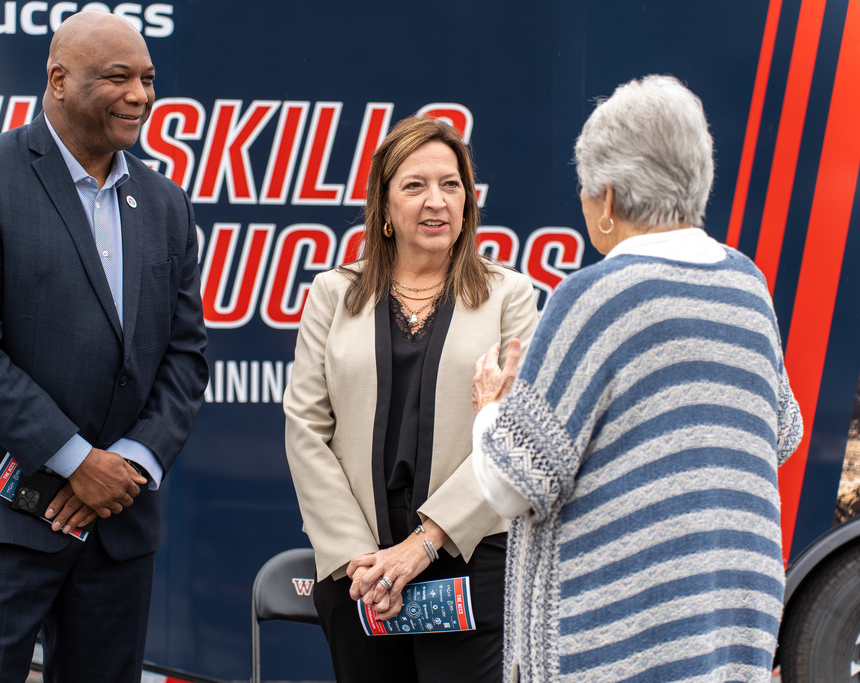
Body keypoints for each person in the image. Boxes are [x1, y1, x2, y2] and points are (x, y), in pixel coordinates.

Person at [0, 10, 209, 681]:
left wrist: (128, 463)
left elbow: (185, 359)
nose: (140, 96)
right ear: (59, 80)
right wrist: (73, 460)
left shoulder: (165, 204)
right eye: (118, 78)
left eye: (149, 79)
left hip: (115, 525)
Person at [470, 75, 804, 683]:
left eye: (585, 188)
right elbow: (778, 432)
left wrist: (494, 407)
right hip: (730, 629)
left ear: (609, 198)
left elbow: (514, 485)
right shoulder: (746, 286)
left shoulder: (594, 299)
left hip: (619, 639)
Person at [283, 116, 539, 682]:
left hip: (470, 561)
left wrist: (423, 545)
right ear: (385, 205)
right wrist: (361, 562)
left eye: (451, 185)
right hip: (361, 576)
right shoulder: (333, 293)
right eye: (415, 185)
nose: (437, 201)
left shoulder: (509, 296)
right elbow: (304, 427)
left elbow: (515, 435)